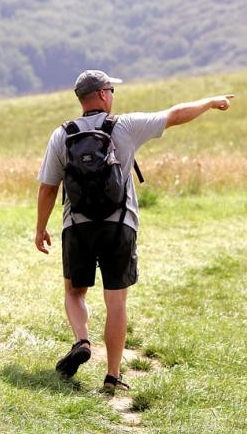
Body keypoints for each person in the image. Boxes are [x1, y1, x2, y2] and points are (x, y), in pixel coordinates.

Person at [34, 70, 233, 392]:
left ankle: (82, 341)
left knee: (74, 291)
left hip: (77, 226)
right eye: (111, 90)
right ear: (102, 94)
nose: (113, 95)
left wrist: (40, 228)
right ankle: (112, 377)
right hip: (119, 225)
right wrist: (210, 102)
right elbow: (175, 115)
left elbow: (48, 188)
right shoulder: (124, 126)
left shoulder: (62, 134)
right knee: (116, 302)